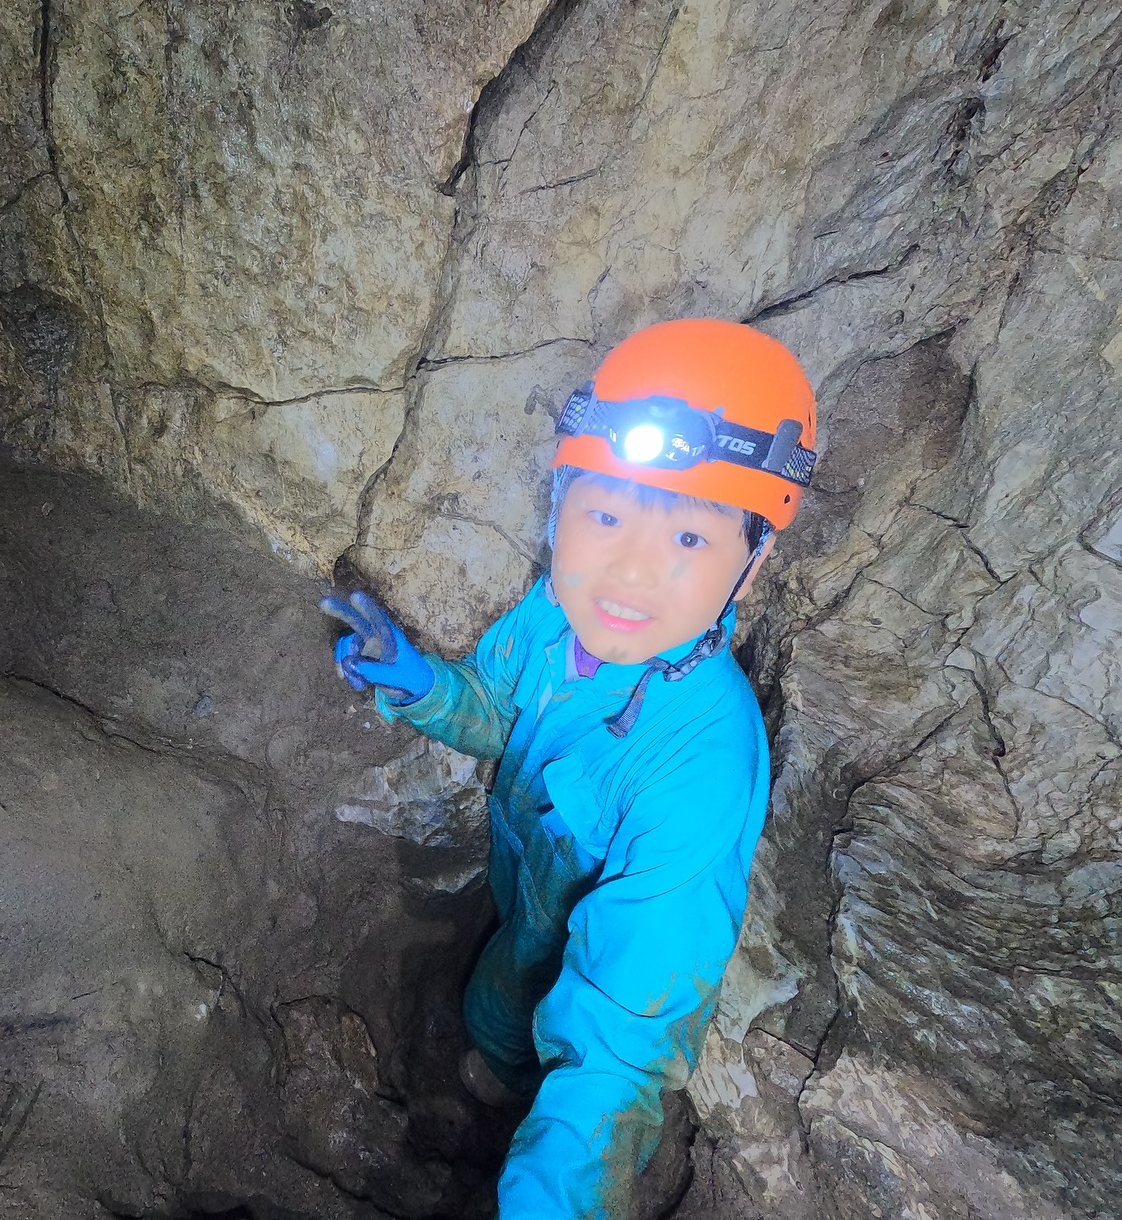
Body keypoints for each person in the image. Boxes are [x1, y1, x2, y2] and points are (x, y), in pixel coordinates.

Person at [321, 319, 818, 1219]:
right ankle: (497, 1074)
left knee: (557, 1055)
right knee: (493, 1010)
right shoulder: (553, 616)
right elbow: (501, 715)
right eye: (606, 513)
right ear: (560, 507)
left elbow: (621, 1045)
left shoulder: (700, 771)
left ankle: (513, 1104)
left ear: (752, 567)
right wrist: (429, 687)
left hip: (591, 966)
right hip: (525, 904)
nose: (629, 570)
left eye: (691, 540)